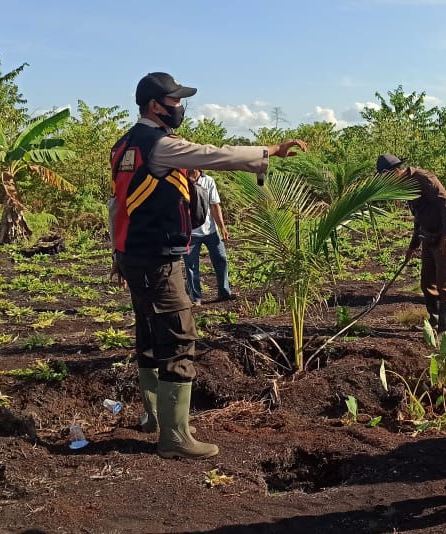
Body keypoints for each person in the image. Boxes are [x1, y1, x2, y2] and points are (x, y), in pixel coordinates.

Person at [110, 72, 306, 459]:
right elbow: (212, 153)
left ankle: (155, 418)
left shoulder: (124, 145)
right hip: (161, 259)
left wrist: (118, 254)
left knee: (149, 334)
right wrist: (270, 151)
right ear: (156, 106)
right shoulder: (160, 144)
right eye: (176, 101)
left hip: (135, 254)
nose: (181, 107)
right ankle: (175, 436)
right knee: (179, 337)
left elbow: (117, 204)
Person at [376, 154, 446, 336]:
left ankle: (445, 332)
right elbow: (419, 215)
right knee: (427, 283)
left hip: (445, 234)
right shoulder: (405, 186)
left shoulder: (422, 178)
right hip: (428, 236)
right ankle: (434, 322)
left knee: (445, 284)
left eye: (386, 178)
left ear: (396, 171)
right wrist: (413, 246)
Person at [184, 171, 233, 306]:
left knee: (221, 259)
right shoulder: (182, 180)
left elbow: (215, 205)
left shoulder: (208, 181)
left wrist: (222, 227)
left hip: (210, 230)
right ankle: (196, 298)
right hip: (191, 232)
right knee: (191, 266)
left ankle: (224, 292)